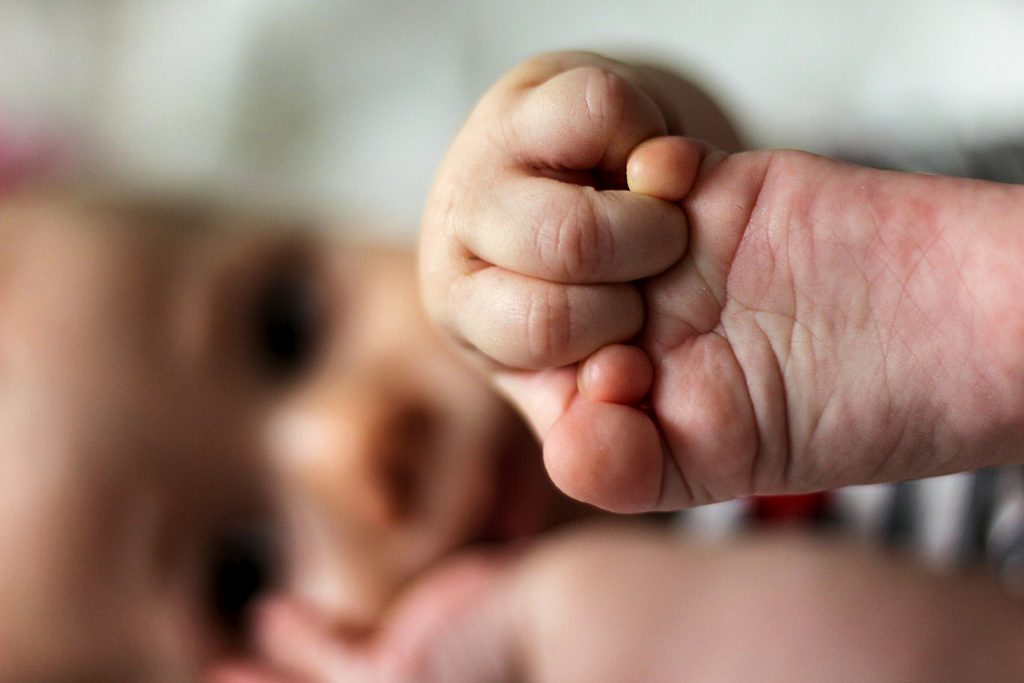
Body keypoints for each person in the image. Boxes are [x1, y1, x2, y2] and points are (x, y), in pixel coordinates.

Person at [419, 50, 1024, 514]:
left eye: (318, 327)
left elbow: (696, 145)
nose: (350, 449)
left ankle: (984, 303)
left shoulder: (770, 247)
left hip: (964, 192)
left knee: (725, 229)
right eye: (316, 552)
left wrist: (592, 134)